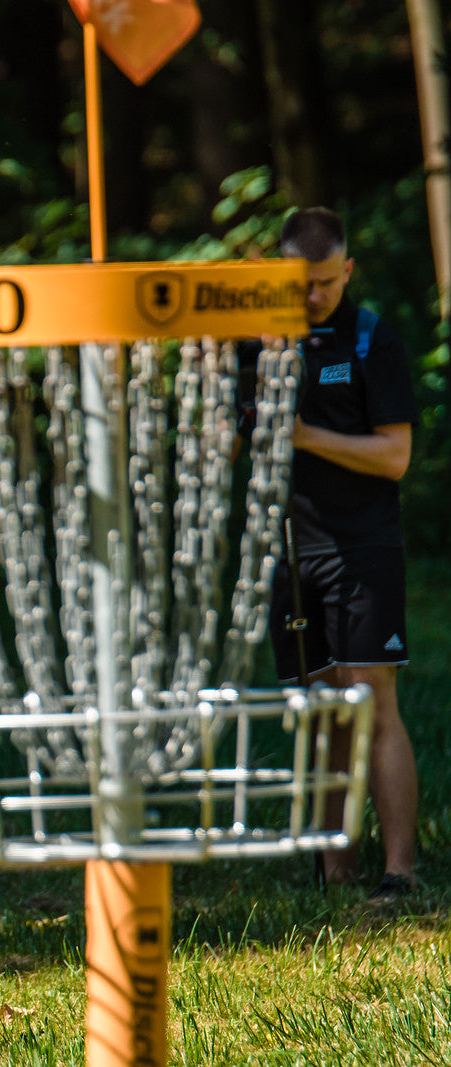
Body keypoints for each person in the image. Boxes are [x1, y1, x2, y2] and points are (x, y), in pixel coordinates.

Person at [270, 207, 419, 901]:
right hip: (293, 546)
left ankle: (399, 871)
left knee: (371, 700)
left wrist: (305, 437)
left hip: (363, 545)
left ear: (347, 271)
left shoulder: (370, 339)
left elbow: (395, 455)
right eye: (301, 283)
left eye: (325, 282)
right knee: (322, 709)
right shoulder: (261, 344)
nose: (312, 296)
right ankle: (335, 870)